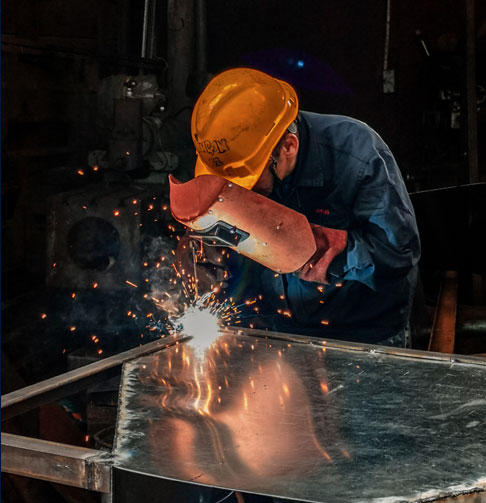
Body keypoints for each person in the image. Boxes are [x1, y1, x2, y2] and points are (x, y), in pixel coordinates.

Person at [173, 67, 421, 348]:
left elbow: (399, 255)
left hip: (362, 336)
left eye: (248, 180)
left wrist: (315, 247)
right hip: (275, 332)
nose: (239, 192)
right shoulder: (234, 157)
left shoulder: (357, 153)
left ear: (288, 146)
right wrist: (205, 251)